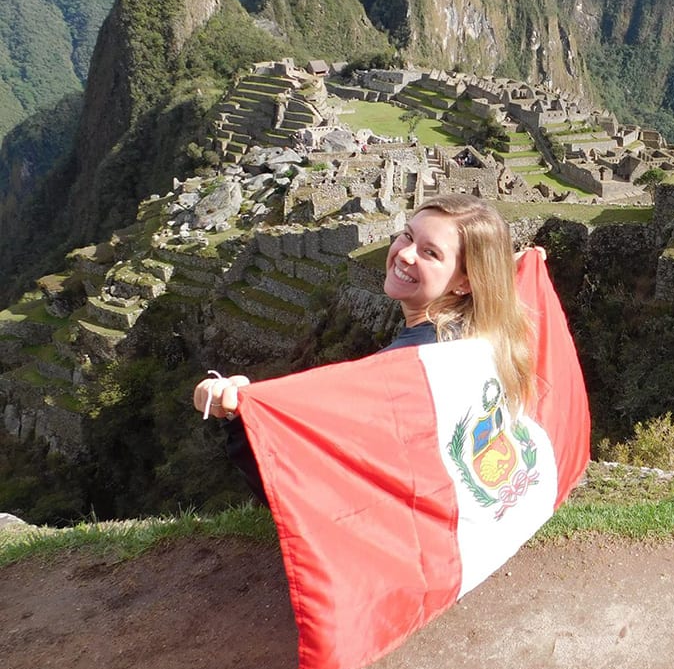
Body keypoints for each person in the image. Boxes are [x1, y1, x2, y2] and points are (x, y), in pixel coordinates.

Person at [194, 194, 534, 501]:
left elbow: (302, 489)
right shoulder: (483, 338)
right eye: (407, 235)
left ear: (466, 282)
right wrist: (520, 267)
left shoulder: (403, 374)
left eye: (430, 252)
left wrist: (239, 412)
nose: (404, 253)